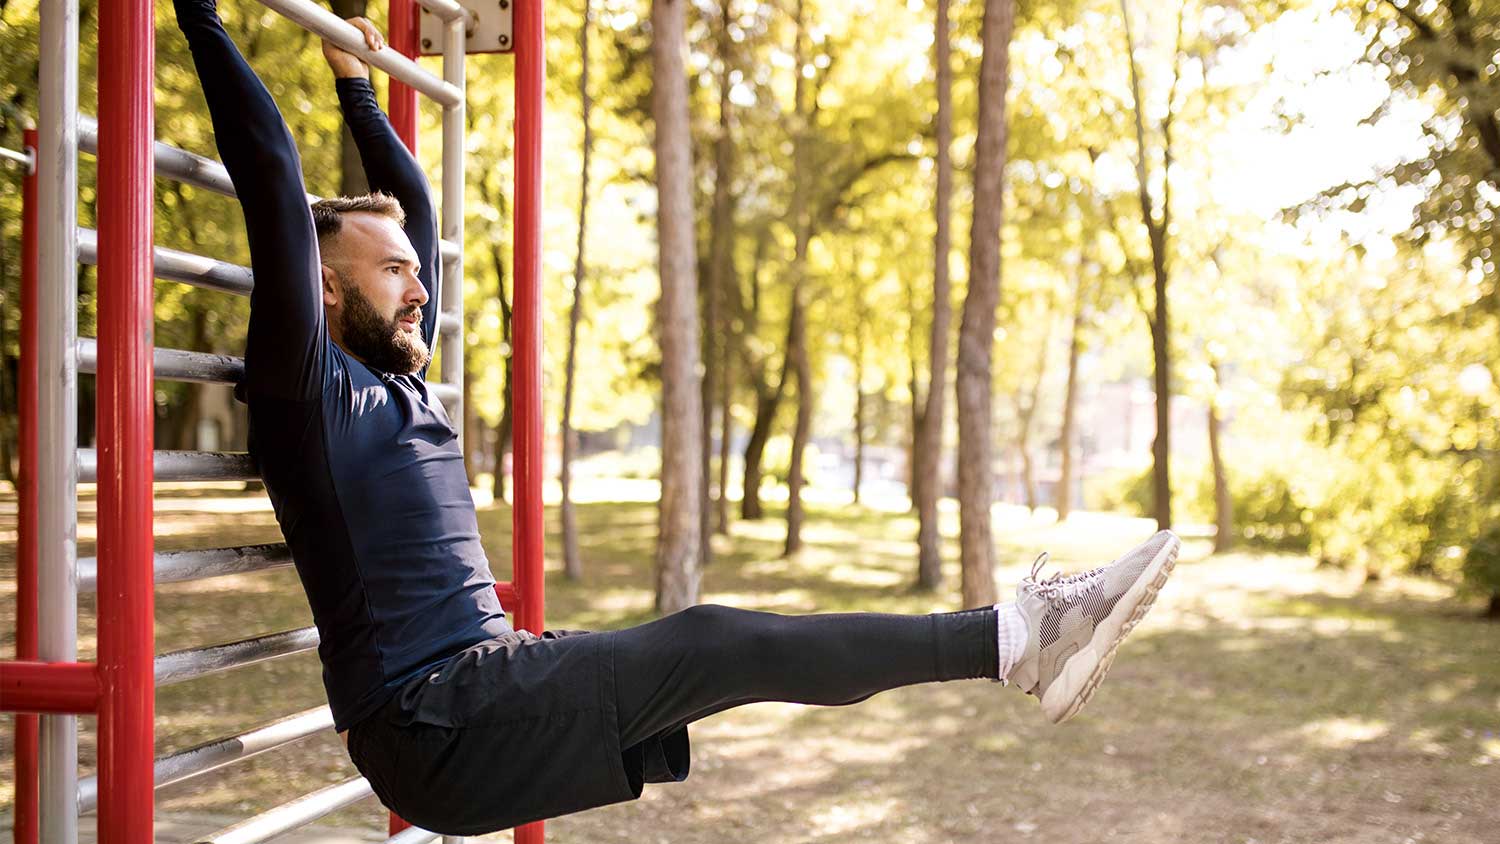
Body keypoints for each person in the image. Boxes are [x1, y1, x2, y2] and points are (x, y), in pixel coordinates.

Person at [173, 1, 1181, 835]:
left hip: (480, 688)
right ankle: (1019, 638)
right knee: (717, 641)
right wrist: (202, 16)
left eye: (414, 270)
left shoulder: (401, 382)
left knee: (728, 652)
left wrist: (357, 84)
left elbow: (415, 211)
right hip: (433, 718)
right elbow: (270, 173)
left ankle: (1018, 639)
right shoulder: (314, 393)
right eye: (391, 272)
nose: (419, 285)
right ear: (325, 292)